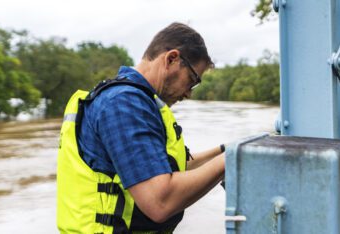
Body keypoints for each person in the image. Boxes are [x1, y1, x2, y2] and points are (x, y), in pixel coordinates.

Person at [57, 22, 225, 234]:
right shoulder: (123, 104)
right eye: (192, 81)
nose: (188, 93)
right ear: (171, 59)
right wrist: (229, 161)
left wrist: (226, 150)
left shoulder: (136, 100)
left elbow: (174, 167)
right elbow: (160, 201)